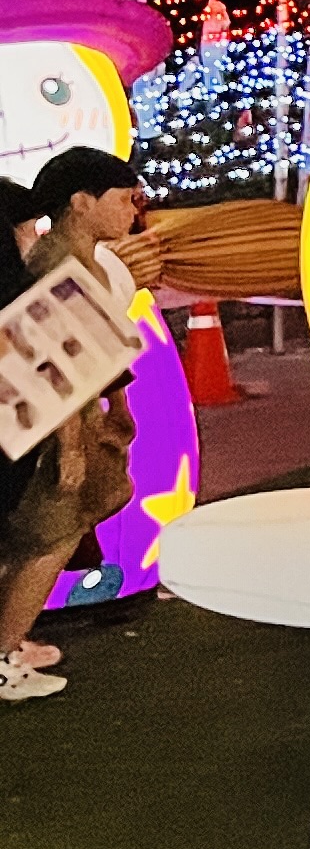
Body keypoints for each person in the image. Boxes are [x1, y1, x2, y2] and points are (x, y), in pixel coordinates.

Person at [0, 148, 153, 702]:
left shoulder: (76, 260)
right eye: (122, 200)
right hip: (47, 429)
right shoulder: (57, 264)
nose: (133, 213)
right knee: (46, 536)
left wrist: (116, 408)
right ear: (81, 202)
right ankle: (3, 653)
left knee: (54, 530)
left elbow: (91, 354)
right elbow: (50, 364)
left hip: (66, 422)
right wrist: (70, 444)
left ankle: (8, 645)